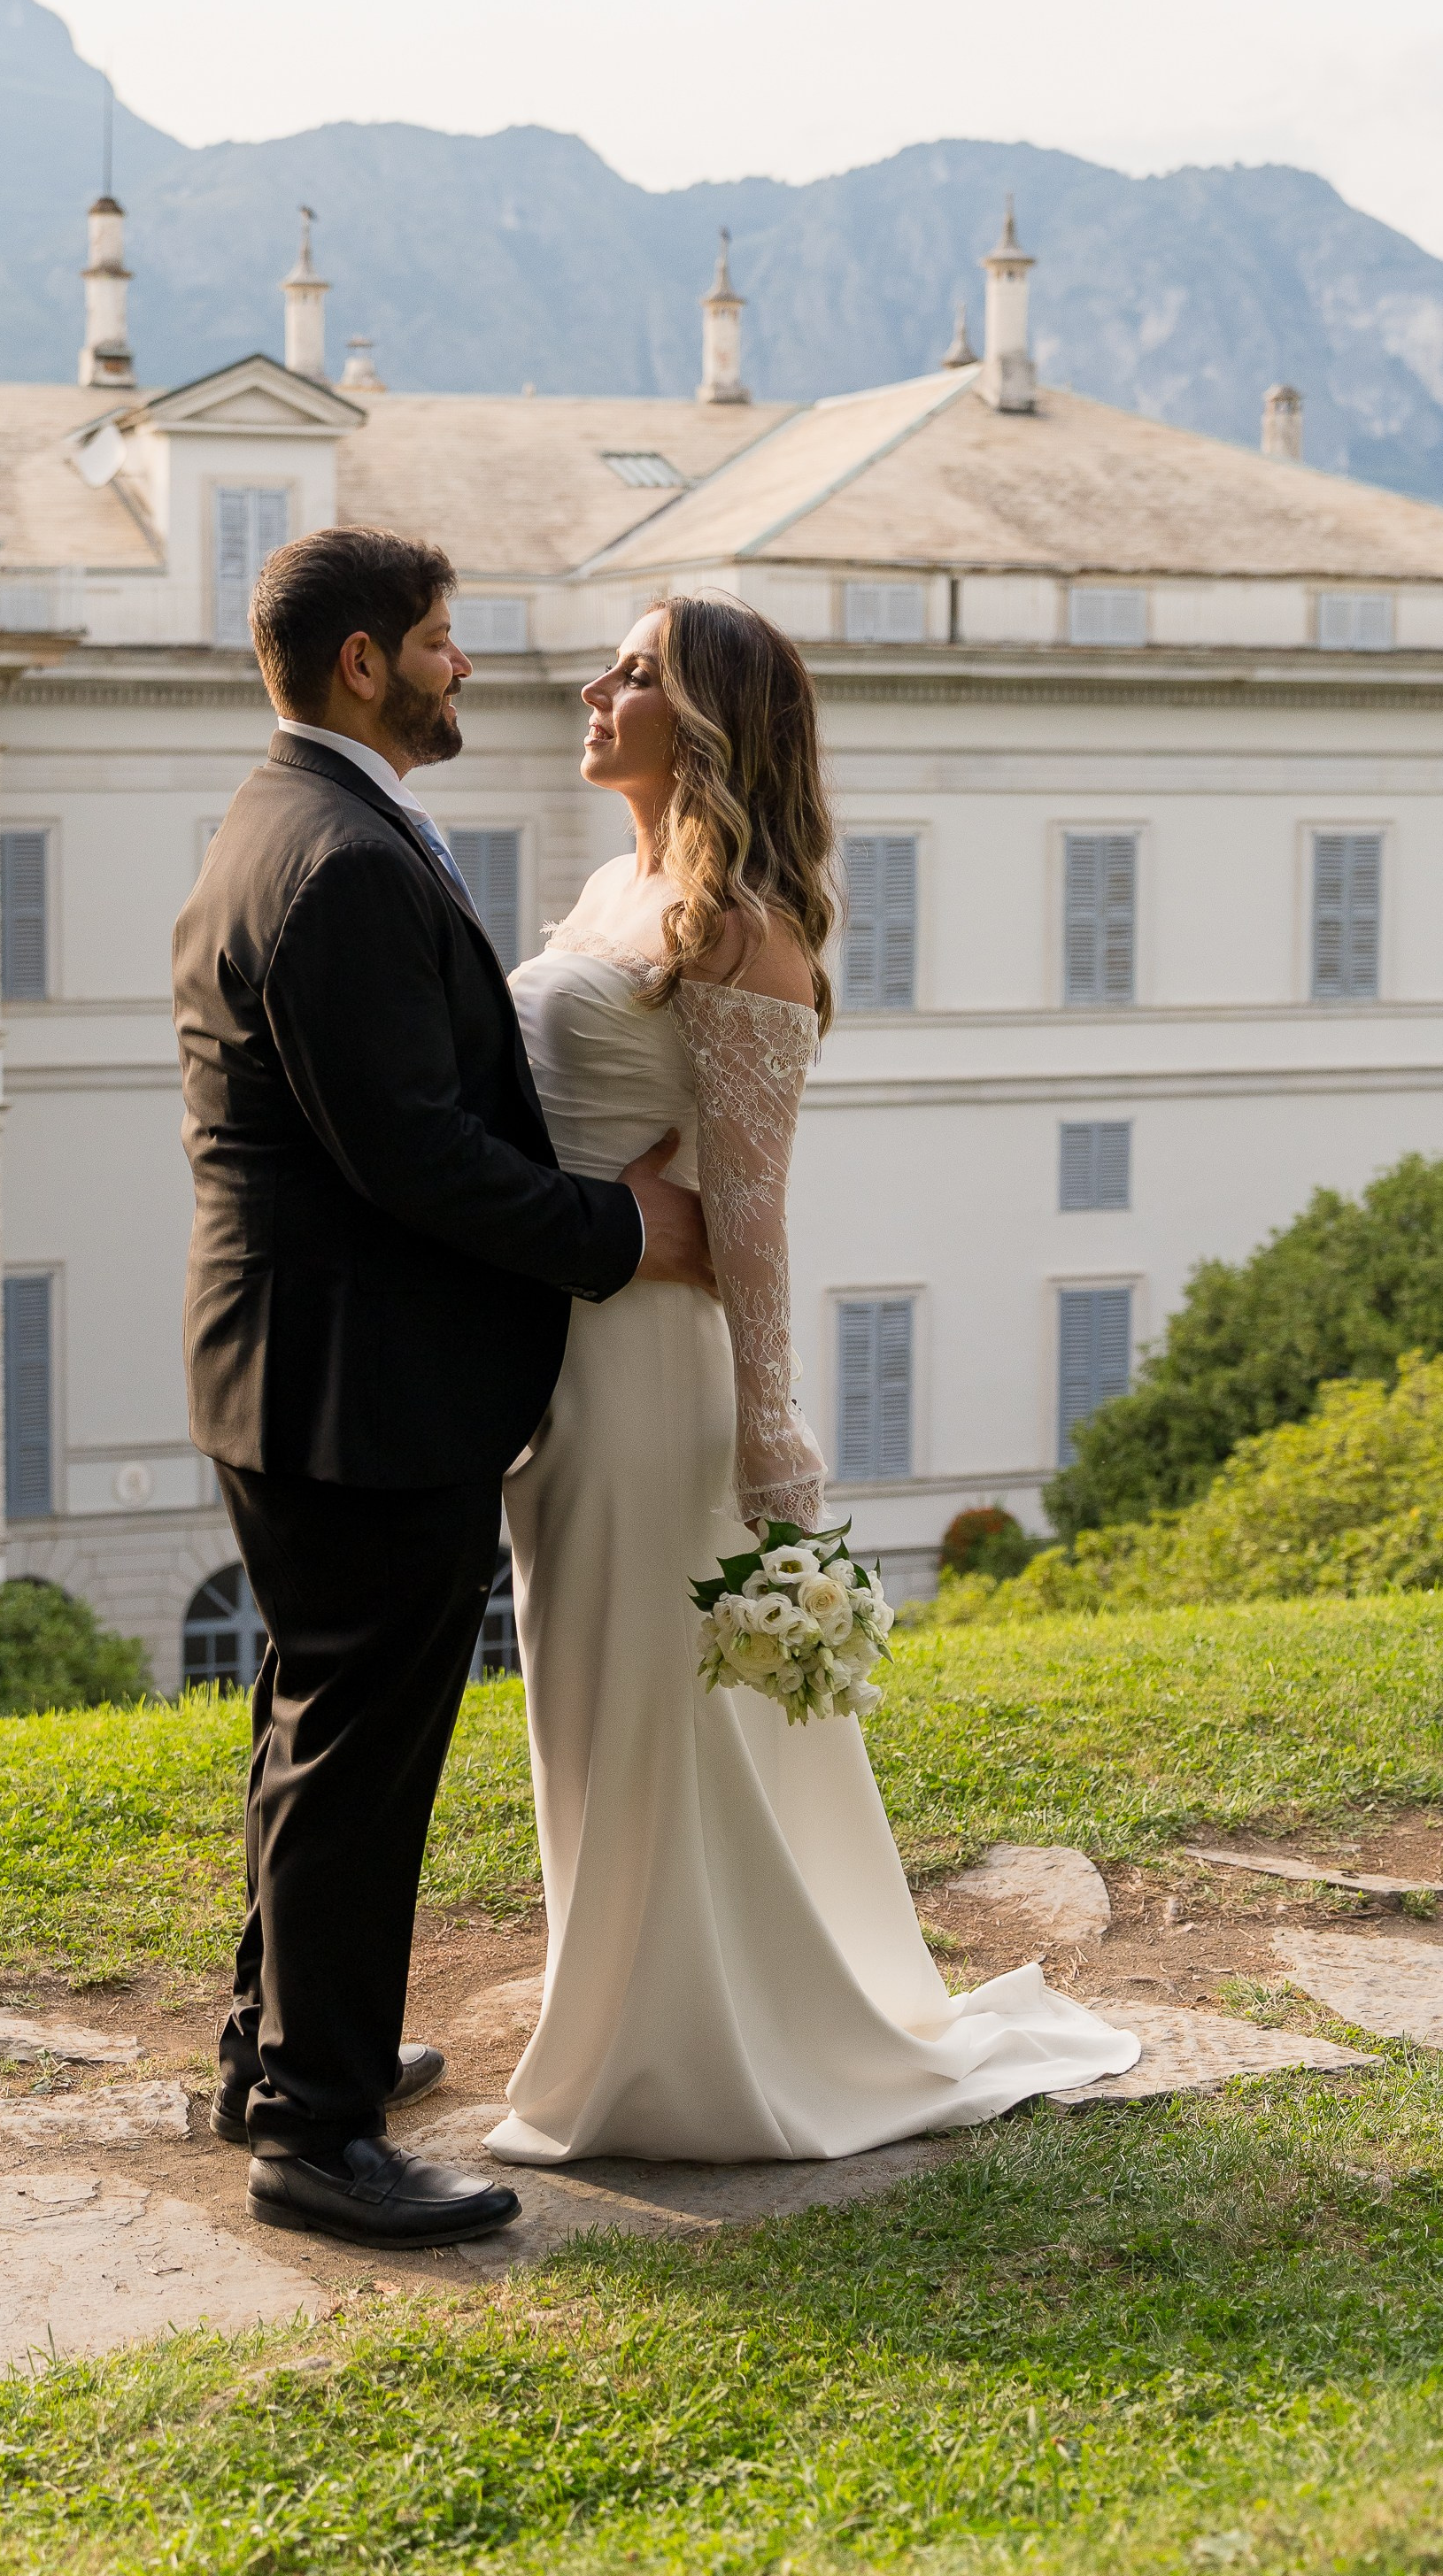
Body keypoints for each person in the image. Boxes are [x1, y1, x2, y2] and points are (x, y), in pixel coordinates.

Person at [489, 595, 1138, 2163]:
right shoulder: (603, 890)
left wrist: (775, 1428)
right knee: (580, 1705)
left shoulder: (741, 928)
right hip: (561, 1360)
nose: (593, 688)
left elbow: (757, 1203)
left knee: (660, 1710)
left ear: (705, 720)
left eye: (633, 672)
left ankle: (691, 2046)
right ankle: (622, 2013)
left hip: (658, 1381)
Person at [172, 527, 715, 2249]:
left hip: (309, 1366)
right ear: (362, 666)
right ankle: (318, 2137)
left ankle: (279, 2053)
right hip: (357, 1379)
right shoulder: (334, 858)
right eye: (438, 640)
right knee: (359, 1750)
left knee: (309, 1719)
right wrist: (619, 1231)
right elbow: (407, 1152)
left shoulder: (295, 821)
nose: (462, 666)